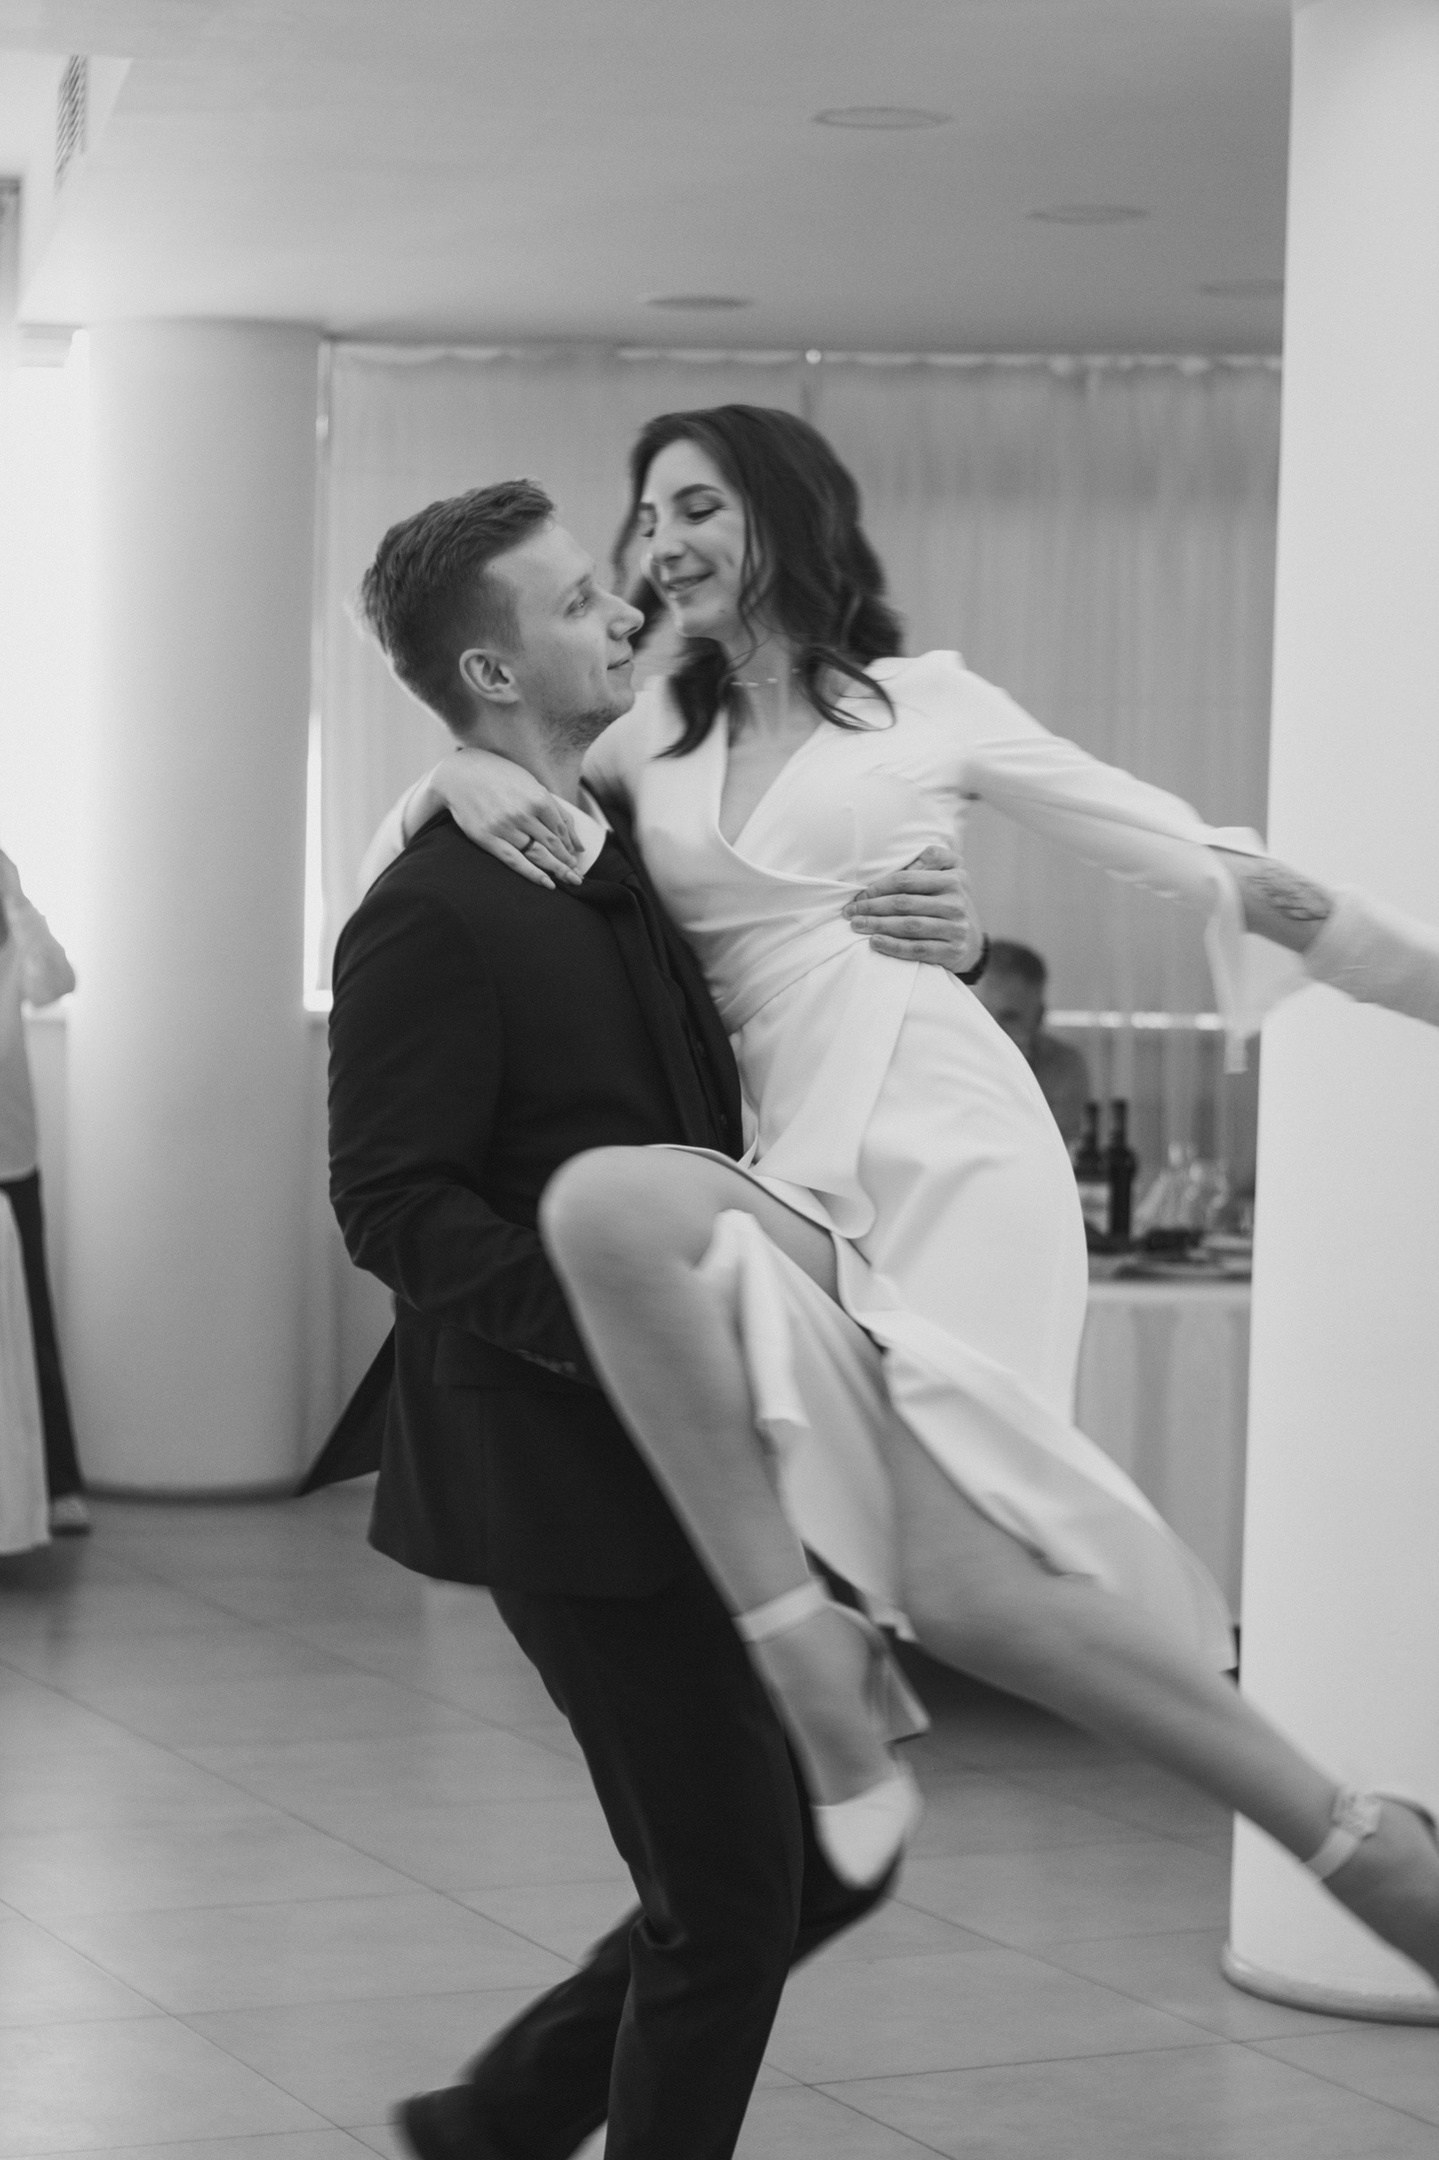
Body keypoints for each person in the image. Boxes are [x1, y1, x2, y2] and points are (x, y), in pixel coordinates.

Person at [380, 406, 1439, 1988]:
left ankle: (1346, 1847)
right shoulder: (640, 734)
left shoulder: (927, 706)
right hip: (786, 1150)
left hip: (943, 1135)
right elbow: (471, 790)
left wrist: (1410, 975)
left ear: (784, 512)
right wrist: (455, 782)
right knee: (617, 1225)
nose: (659, 544)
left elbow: (1196, 856)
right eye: (645, 516)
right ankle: (832, 1668)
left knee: (968, 1589)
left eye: (695, 506)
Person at [327, 479, 988, 2160]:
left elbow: (803, 981)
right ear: (491, 674)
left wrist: (952, 940)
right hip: (563, 1473)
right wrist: (621, 1332)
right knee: (739, 1893)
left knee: (813, 1856)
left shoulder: (622, 844)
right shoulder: (428, 913)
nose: (621, 609)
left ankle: (490, 2125)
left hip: (710, 1454)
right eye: (572, 603)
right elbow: (392, 1207)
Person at [0, 847, 87, 1543]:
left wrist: (16, 899)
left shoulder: (13, 943)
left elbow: (56, 982)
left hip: (9, 1155)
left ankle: (57, 1485)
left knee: (29, 1317)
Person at [975, 938, 1090, 1147]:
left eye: (1008, 1018)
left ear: (1038, 1017)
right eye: (979, 1013)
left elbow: (1053, 1149)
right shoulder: (937, 1059)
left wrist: (1015, 1076)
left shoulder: (1064, 1065)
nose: (990, 1029)